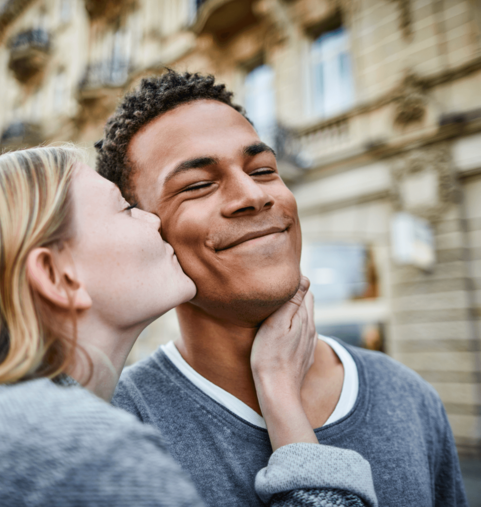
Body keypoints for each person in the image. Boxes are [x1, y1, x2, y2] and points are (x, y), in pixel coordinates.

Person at [0, 146, 375, 507]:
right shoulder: (70, 452)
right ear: (59, 275)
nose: (155, 217)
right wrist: (282, 397)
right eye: (124, 209)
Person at [97, 70, 468, 507]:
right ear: (144, 234)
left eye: (264, 169)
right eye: (198, 185)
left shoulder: (407, 393)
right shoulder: (114, 428)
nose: (252, 194)